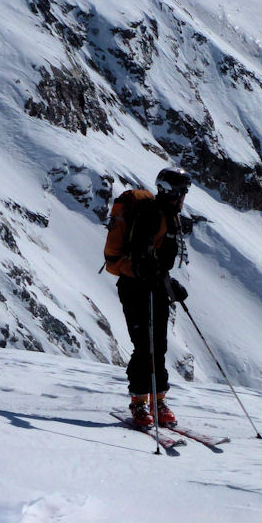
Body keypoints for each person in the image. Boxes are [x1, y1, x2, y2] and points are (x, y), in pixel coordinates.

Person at [103, 166, 192, 428]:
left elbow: (159, 261)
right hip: (134, 286)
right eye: (179, 192)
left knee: (159, 345)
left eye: (183, 192)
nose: (182, 197)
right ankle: (139, 402)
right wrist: (146, 270)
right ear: (168, 191)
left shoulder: (170, 216)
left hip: (154, 286)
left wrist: (168, 282)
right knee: (144, 345)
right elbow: (138, 256)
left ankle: (158, 399)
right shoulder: (150, 215)